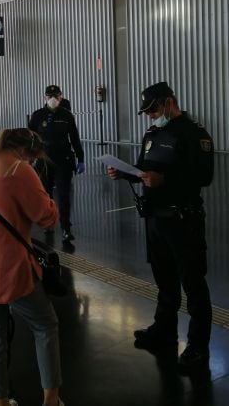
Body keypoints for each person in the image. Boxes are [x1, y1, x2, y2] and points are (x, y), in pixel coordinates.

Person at [107, 81, 214, 374]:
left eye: (153, 109)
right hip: (156, 219)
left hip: (183, 220)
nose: (150, 115)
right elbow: (145, 171)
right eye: (147, 111)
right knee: (164, 280)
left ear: (169, 102)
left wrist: (165, 181)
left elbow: (204, 177)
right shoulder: (153, 134)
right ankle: (164, 330)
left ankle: (198, 346)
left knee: (193, 283)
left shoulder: (194, 134)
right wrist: (125, 174)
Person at [0, 128, 64, 406]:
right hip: (10, 272)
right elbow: (47, 218)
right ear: (24, 151)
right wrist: (50, 201)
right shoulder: (20, 171)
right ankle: (51, 399)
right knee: (45, 326)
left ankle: (1, 402)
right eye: (33, 157)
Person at [29, 84, 84, 241]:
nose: (53, 99)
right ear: (44, 97)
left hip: (63, 160)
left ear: (61, 97)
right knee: (45, 195)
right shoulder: (38, 115)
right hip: (44, 161)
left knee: (63, 195)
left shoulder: (66, 115)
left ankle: (66, 228)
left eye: (56, 96)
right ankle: (48, 224)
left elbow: (74, 138)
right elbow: (30, 138)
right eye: (49, 96)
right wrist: (29, 157)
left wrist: (81, 159)